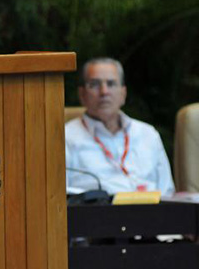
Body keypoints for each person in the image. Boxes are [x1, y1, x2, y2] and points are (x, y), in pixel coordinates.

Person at [65, 57, 175, 196]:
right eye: (94, 84)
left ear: (123, 93)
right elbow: (60, 198)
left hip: (152, 213)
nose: (104, 92)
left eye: (111, 84)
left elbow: (168, 192)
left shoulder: (148, 134)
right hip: (98, 215)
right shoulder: (65, 138)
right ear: (82, 94)